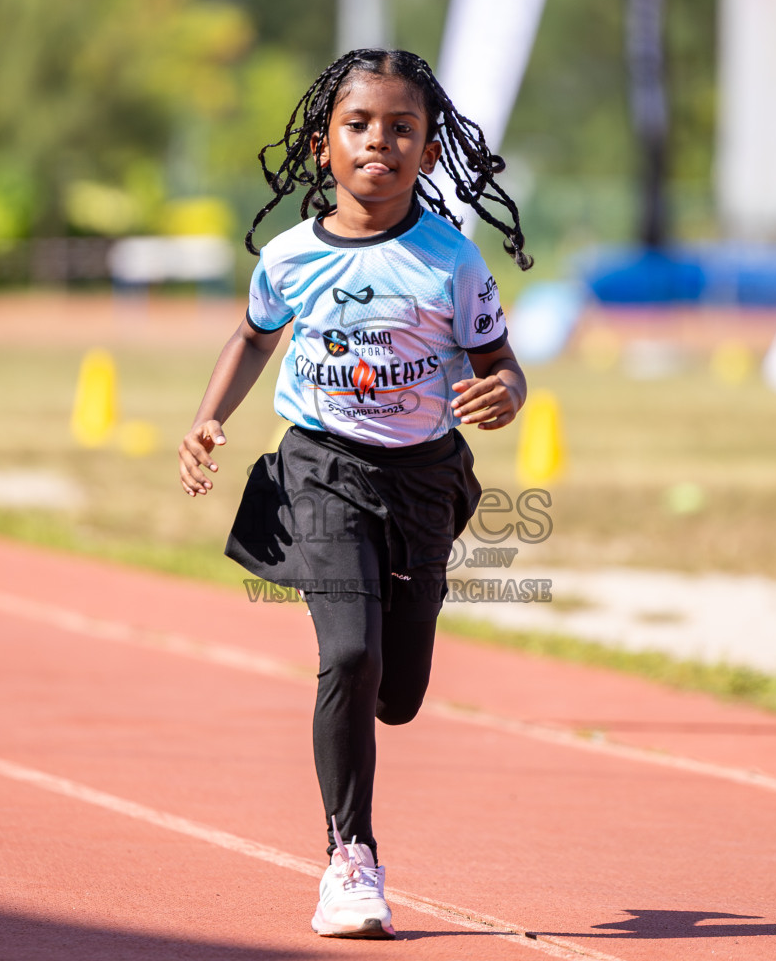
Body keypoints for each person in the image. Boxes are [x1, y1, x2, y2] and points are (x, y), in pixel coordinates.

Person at [177, 47, 533, 940]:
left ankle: (373, 691)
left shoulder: (452, 262)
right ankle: (350, 857)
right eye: (359, 125)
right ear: (323, 147)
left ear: (428, 148)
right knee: (348, 656)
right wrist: (209, 416)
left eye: (403, 128)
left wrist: (506, 394)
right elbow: (255, 337)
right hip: (321, 469)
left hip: (424, 482)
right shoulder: (291, 256)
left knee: (398, 691)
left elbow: (500, 363)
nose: (381, 141)